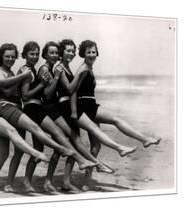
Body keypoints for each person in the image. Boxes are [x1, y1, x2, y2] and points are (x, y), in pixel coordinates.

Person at [67, 40, 161, 190]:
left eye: (93, 52)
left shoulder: (88, 68)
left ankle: (86, 181)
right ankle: (141, 140)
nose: (92, 55)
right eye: (88, 52)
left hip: (90, 105)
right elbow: (72, 91)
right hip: (84, 107)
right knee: (115, 120)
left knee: (96, 145)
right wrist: (73, 111)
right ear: (83, 54)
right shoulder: (83, 69)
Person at [19, 41, 106, 193]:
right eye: (50, 53)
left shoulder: (53, 68)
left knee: (50, 146)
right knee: (62, 141)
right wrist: (57, 77)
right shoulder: (46, 69)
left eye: (55, 53)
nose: (54, 55)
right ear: (45, 55)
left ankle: (50, 181)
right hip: (47, 109)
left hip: (52, 109)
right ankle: (89, 163)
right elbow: (47, 94)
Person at [36, 41, 119, 192]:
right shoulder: (59, 68)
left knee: (72, 143)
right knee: (67, 144)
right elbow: (68, 89)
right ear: (62, 52)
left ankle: (66, 181)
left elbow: (72, 90)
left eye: (73, 51)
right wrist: (80, 73)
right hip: (61, 108)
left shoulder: (65, 68)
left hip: (68, 108)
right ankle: (49, 181)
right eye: (68, 51)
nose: (71, 53)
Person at [0, 43, 75, 193]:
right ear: (24, 55)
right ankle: (14, 182)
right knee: (27, 148)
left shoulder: (31, 70)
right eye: (31, 54)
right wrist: (42, 84)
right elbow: (25, 95)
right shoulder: (26, 70)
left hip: (21, 109)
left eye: (36, 54)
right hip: (28, 109)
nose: (35, 57)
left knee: (26, 149)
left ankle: (20, 182)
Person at [0, 45, 50, 194]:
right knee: (12, 130)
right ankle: (35, 153)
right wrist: (22, 76)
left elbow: (6, 89)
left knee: (3, 153)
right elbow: (2, 83)